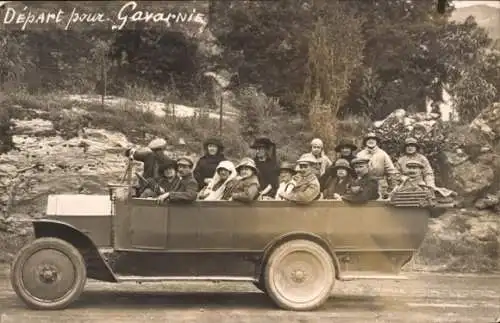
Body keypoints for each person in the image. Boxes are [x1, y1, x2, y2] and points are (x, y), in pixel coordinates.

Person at [356, 132, 400, 198]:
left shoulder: (383, 154)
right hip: (364, 183)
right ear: (365, 142)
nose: (371, 141)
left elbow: (391, 171)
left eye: (373, 139)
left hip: (380, 184)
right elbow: (356, 170)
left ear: (376, 141)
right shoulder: (360, 154)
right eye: (368, 139)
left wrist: (392, 188)